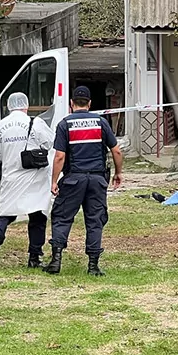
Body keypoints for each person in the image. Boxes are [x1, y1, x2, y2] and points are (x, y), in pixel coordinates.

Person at [44, 86, 123, 276]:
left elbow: (60, 157)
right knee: (95, 220)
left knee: (62, 217)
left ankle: (56, 260)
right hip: (97, 179)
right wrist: (118, 173)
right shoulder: (101, 122)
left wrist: (54, 181)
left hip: (73, 179)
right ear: (89, 103)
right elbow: (117, 150)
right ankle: (93, 266)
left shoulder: (65, 124)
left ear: (71, 104)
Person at [0, 92, 55, 269]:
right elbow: (49, 142)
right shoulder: (36, 122)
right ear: (26, 106)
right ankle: (34, 256)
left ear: (9, 106)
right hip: (34, 177)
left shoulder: (0, 126)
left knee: (4, 213)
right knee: (37, 216)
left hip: (11, 176)